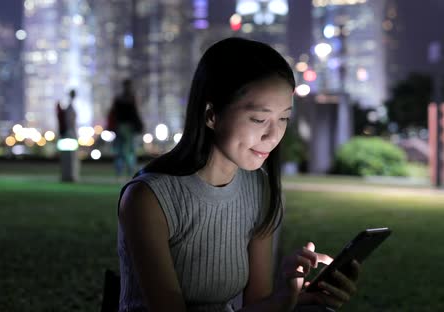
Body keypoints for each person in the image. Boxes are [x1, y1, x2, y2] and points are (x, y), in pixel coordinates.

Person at [116, 38, 361, 312]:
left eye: (283, 119)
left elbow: (256, 304)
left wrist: (288, 293)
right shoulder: (149, 198)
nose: (273, 135)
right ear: (211, 114)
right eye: (259, 119)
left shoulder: (260, 189)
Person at [108, 79, 144, 178]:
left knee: (121, 150)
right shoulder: (130, 99)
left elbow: (113, 113)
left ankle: (122, 171)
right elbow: (135, 114)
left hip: (121, 127)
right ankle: (128, 170)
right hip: (126, 127)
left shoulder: (119, 99)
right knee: (128, 150)